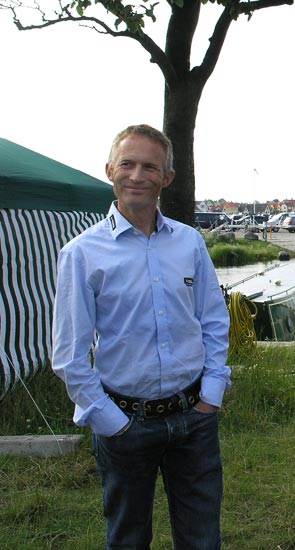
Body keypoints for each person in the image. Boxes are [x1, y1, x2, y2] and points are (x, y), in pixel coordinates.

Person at [52, 124, 231, 549]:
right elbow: (69, 357)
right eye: (127, 164)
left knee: (202, 539)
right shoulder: (81, 253)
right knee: (129, 539)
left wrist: (211, 394)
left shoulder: (189, 243)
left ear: (166, 178)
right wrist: (110, 421)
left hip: (194, 418)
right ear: (110, 169)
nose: (137, 175)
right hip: (124, 423)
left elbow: (213, 321)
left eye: (150, 167)